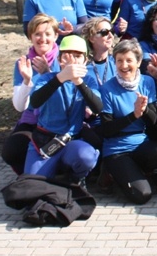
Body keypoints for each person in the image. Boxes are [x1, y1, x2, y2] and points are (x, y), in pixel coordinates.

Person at [97, 39, 157, 204]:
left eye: (129, 60)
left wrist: (144, 111)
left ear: (138, 62)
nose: (124, 65)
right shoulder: (107, 89)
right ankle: (112, 173)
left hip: (140, 143)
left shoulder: (147, 82)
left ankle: (140, 173)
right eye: (119, 60)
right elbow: (107, 130)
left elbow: (154, 122)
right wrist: (134, 115)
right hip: (117, 149)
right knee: (142, 196)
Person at [23, 35, 102, 183]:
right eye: (67, 56)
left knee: (86, 157)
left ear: (85, 61)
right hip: (45, 142)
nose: (73, 61)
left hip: (71, 141)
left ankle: (76, 179)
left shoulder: (88, 81)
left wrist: (77, 80)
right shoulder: (47, 78)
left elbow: (97, 107)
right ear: (59, 60)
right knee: (32, 184)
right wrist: (61, 77)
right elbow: (35, 102)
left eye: (78, 56)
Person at [3, 13, 61, 174]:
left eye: (48, 34)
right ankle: (27, 175)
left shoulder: (64, 59)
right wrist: (27, 81)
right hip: (32, 120)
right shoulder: (22, 63)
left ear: (56, 36)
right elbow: (20, 107)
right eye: (37, 34)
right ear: (30, 37)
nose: (43, 39)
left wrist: (48, 74)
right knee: (11, 151)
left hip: (59, 119)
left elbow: (65, 96)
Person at [82, 16, 117, 88]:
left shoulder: (117, 62)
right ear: (91, 38)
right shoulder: (83, 65)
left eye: (112, 31)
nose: (110, 36)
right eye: (104, 32)